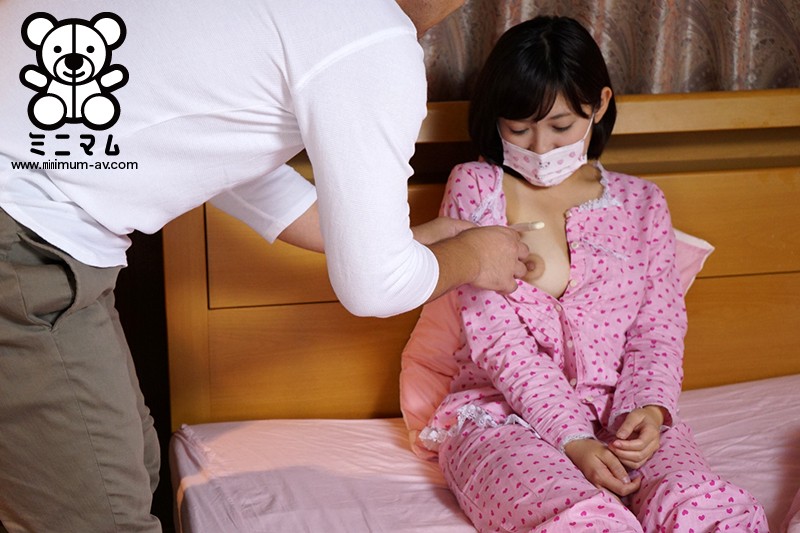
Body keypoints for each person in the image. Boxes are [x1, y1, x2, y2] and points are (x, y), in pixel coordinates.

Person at [0, 1, 532, 531]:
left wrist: (402, 243)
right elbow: (375, 288)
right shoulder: (371, 34)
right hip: (27, 231)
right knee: (104, 514)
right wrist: (476, 258)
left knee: (131, 465)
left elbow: (219, 152)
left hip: (40, 225)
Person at [416, 16, 768, 532]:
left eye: (560, 127)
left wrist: (650, 410)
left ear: (599, 105)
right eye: (519, 129)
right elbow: (497, 339)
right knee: (581, 519)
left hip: (621, 413)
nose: (540, 148)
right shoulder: (475, 187)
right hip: (503, 415)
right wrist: (573, 439)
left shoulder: (642, 203)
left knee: (704, 508)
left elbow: (657, 329)